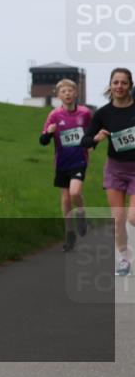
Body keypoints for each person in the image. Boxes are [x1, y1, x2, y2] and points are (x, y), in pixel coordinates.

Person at [82, 67, 135, 276]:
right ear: (110, 85)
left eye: (123, 82)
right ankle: (124, 258)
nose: (119, 86)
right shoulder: (103, 113)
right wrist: (95, 138)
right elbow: (84, 140)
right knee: (119, 218)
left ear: (130, 85)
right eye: (116, 82)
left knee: (133, 218)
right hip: (115, 169)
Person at [38, 79, 92, 251]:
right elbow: (43, 141)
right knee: (65, 199)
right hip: (62, 162)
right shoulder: (54, 115)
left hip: (79, 160)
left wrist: (91, 143)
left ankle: (82, 215)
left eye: (70, 90)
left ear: (76, 93)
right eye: (63, 91)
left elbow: (92, 131)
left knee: (75, 192)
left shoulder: (85, 113)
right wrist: (49, 133)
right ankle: (69, 235)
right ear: (58, 95)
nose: (67, 94)